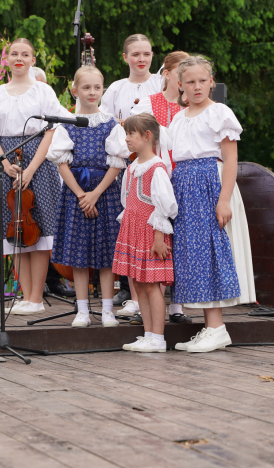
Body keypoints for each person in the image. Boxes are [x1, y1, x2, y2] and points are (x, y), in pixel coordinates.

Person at [167, 56, 254, 353]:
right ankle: (210, 327)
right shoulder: (178, 118)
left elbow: (230, 159)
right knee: (194, 255)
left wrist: (224, 199)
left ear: (211, 82)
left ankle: (217, 327)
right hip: (185, 186)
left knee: (212, 252)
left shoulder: (219, 113)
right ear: (180, 85)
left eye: (202, 80)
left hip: (210, 184)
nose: (196, 86)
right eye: (190, 82)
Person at [0, 38, 71, 315]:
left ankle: (36, 297)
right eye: (14, 54)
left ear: (33, 59)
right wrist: (5, 163)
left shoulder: (43, 91)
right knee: (14, 229)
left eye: (25, 54)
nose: (19, 58)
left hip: (38, 162)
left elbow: (51, 130)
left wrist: (31, 169)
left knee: (38, 230)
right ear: (6, 60)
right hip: (5, 161)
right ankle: (25, 295)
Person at [46, 66, 129, 327]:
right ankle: (82, 310)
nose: (91, 92)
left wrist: (95, 194)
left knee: (106, 255)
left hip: (104, 193)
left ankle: (107, 310)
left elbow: (116, 164)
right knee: (79, 255)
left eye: (96, 87)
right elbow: (62, 164)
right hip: (76, 194)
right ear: (74, 91)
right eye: (86, 87)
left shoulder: (110, 123)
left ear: (102, 90)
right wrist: (82, 195)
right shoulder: (66, 125)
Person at [101, 34, 163, 317]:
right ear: (125, 57)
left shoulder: (158, 84)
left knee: (156, 228)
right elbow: (105, 124)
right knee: (133, 229)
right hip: (129, 165)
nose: (141, 59)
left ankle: (161, 295)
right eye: (135, 54)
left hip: (157, 164)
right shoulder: (115, 89)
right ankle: (135, 296)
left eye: (146, 54)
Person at [129, 50, 192, 324]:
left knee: (180, 240)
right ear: (167, 75)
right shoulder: (149, 103)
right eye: (181, 73)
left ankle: (177, 305)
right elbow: (136, 138)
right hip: (156, 177)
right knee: (155, 239)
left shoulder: (190, 108)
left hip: (182, 177)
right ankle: (143, 304)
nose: (185, 80)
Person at [114, 114, 177, 352]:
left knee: (151, 286)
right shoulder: (132, 168)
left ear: (147, 136)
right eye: (127, 134)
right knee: (139, 286)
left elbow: (164, 206)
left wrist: (159, 238)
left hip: (151, 234)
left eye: (131, 134)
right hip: (133, 232)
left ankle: (158, 338)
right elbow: (127, 202)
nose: (127, 139)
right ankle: (148, 334)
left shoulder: (156, 169)